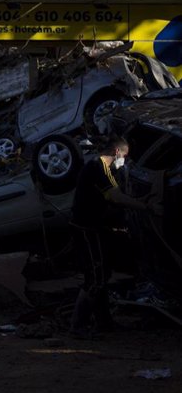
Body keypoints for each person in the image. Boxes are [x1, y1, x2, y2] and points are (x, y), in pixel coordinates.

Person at [69, 135, 161, 338]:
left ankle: (105, 323)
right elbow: (115, 197)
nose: (125, 161)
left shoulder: (102, 168)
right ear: (117, 152)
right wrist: (147, 207)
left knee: (101, 275)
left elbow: (115, 195)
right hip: (88, 230)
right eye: (125, 156)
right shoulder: (99, 168)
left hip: (95, 228)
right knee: (96, 277)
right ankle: (78, 326)